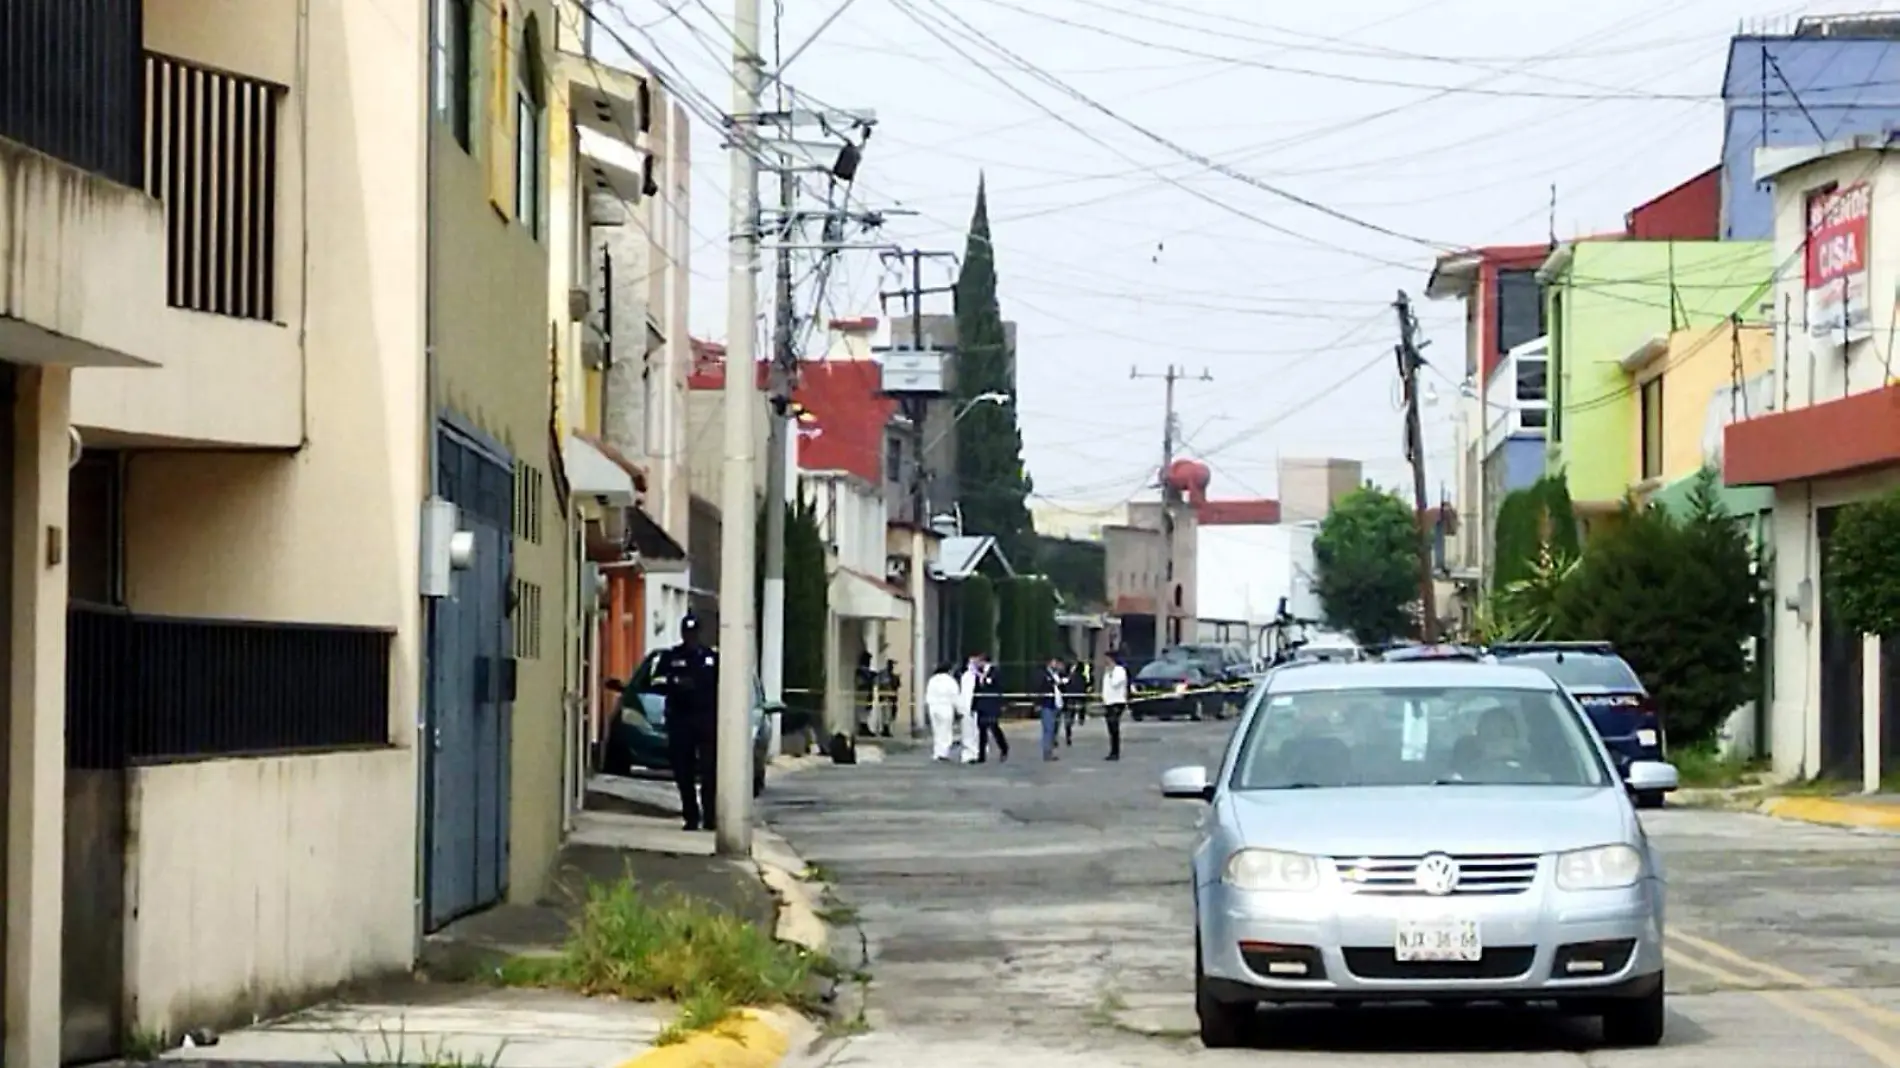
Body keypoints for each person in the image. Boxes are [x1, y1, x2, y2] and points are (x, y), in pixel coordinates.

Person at [652, 614, 719, 831]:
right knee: (683, 771)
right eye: (687, 633)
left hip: (706, 719)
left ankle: (710, 816)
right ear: (682, 634)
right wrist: (677, 682)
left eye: (693, 633)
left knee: (709, 771)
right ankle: (691, 816)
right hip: (680, 720)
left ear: (698, 634)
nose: (690, 637)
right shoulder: (672, 657)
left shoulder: (711, 658)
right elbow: (657, 680)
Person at [973, 652, 1009, 762]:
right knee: (981, 730)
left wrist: (1002, 704)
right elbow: (976, 690)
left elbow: (999, 687)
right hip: (981, 705)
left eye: (979, 661)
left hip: (992, 704)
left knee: (994, 727)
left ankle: (1004, 747)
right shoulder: (978, 674)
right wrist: (974, 705)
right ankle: (981, 755)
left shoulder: (995, 672)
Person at [925, 661, 960, 761]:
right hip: (945, 707)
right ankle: (944, 753)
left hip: (933, 707)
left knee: (937, 731)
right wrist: (959, 709)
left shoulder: (933, 680)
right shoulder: (950, 681)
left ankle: (937, 752)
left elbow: (928, 695)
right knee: (946, 730)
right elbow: (955, 696)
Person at [1037, 655, 1067, 761]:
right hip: (1047, 704)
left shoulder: (1058, 674)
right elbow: (1040, 688)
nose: (1056, 664)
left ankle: (1052, 750)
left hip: (1058, 704)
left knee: (1054, 730)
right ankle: (1047, 752)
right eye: (1054, 662)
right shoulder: (1043, 674)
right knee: (1048, 729)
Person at [1101, 651, 1129, 761]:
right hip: (1108, 702)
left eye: (1107, 658)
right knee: (1110, 728)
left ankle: (1115, 752)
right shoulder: (1107, 671)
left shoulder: (1119, 671)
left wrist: (1111, 673)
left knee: (1114, 726)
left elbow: (1116, 684)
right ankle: (1112, 750)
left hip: (1117, 701)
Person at [956, 652, 983, 763]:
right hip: (967, 707)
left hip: (975, 707)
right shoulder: (967, 676)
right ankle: (968, 754)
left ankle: (975, 752)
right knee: (967, 731)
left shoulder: (977, 676)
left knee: (975, 731)